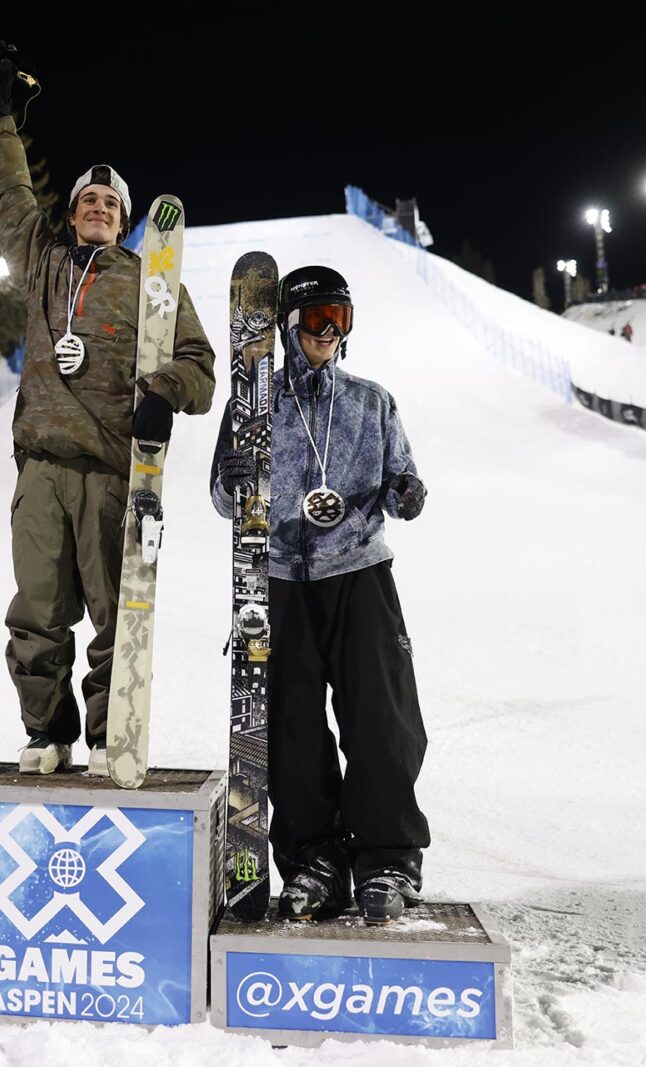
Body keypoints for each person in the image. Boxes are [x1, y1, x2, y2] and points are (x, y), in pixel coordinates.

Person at [0, 41, 216, 777]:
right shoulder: (44, 261)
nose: (98, 210)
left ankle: (114, 733)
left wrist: (165, 394)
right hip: (44, 466)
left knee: (119, 619)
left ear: (126, 219)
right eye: (87, 200)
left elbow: (200, 365)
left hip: (116, 471)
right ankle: (48, 732)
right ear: (73, 212)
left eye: (111, 204)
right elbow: (10, 197)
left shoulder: (151, 282)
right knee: (37, 614)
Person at [210, 265, 430, 924]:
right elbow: (224, 501)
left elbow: (402, 478)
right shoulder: (255, 403)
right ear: (288, 324)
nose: (328, 331)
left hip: (359, 572)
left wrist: (407, 492)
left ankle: (387, 854)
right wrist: (235, 472)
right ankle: (315, 857)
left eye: (341, 317)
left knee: (383, 719)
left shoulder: (371, 401)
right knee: (293, 728)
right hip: (278, 577)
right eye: (316, 318)